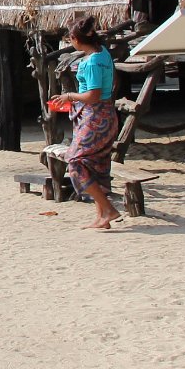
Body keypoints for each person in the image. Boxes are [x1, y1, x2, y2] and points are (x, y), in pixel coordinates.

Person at [51, 14, 121, 229]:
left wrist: (69, 96)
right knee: (94, 163)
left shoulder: (92, 63)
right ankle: (102, 216)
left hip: (96, 117)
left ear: (75, 39)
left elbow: (93, 95)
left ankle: (108, 209)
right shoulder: (103, 53)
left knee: (75, 161)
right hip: (106, 114)